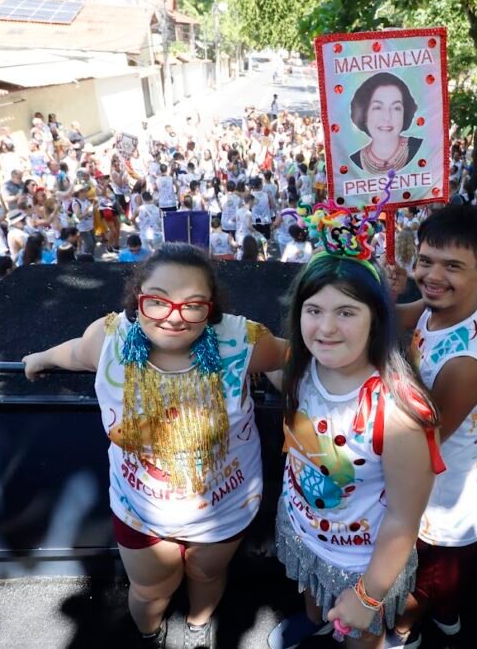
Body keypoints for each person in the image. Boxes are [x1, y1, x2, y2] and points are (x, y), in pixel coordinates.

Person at [23, 243, 285, 648]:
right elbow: (75, 352)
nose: (174, 317)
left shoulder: (242, 342)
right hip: (140, 510)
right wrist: (39, 357)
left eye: (193, 304)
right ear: (137, 301)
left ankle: (198, 629)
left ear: (211, 309)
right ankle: (150, 635)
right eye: (157, 302)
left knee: (208, 575)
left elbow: (295, 355)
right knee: (149, 591)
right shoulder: (109, 340)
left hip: (225, 507)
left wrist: (289, 388)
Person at [267, 251, 443, 649]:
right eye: (314, 310)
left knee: (362, 638)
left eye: (346, 312)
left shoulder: (399, 416)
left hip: (362, 563)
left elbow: (403, 519)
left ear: (376, 319)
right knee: (313, 597)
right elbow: (253, 351)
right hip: (304, 527)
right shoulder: (300, 365)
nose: (326, 327)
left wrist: (367, 596)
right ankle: (315, 622)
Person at [389, 205, 477, 647]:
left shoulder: (465, 363)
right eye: (426, 260)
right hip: (433, 485)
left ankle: (405, 633)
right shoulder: (438, 309)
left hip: (446, 501)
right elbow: (401, 317)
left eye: (453, 266)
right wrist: (383, 293)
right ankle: (448, 615)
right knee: (442, 583)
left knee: (417, 586)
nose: (434, 276)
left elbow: (422, 440)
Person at [348, 73, 423, 175]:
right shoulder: (352, 162)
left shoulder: (421, 149)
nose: (387, 117)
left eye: (396, 108)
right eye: (378, 107)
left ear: (404, 114)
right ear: (364, 115)